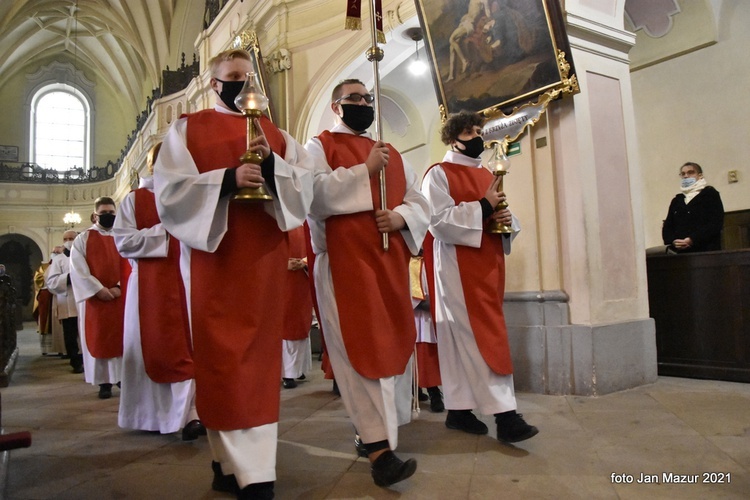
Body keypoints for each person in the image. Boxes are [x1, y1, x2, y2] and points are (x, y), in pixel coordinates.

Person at [153, 48, 313, 499]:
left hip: (263, 262)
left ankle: (255, 474)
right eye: (231, 77)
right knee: (221, 362)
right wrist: (226, 179)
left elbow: (307, 189)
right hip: (213, 262)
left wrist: (271, 167)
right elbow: (170, 195)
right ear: (213, 82)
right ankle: (226, 462)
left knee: (257, 365)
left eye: (247, 77)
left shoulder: (277, 135)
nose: (241, 85)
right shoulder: (187, 130)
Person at [304, 78, 429, 488]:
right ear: (336, 106)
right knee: (357, 354)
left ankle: (375, 435)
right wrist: (364, 172)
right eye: (353, 99)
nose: (363, 103)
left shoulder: (392, 153)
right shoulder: (319, 146)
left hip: (388, 264)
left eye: (367, 98)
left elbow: (418, 200)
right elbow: (313, 195)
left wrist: (401, 218)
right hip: (344, 266)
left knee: (386, 344)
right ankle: (380, 452)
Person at [421, 111, 538, 444]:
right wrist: (484, 207)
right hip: (456, 269)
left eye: (478, 131)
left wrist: (504, 217)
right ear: (453, 137)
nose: (477, 137)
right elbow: (439, 222)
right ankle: (506, 416)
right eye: (471, 132)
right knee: (479, 336)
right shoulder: (438, 174)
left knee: (465, 339)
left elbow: (501, 215)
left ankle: (459, 410)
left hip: (486, 265)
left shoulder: (487, 173)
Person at [113, 143, 203, 439]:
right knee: (151, 347)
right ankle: (152, 416)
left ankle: (191, 415)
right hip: (148, 288)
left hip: (190, 281)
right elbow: (124, 242)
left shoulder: (188, 195)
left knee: (192, 349)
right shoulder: (133, 201)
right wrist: (165, 234)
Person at [70, 197, 128, 399]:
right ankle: (104, 382)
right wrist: (98, 289)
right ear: (95, 215)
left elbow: (130, 265)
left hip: (121, 297)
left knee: (122, 337)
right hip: (95, 298)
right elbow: (78, 269)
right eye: (104, 213)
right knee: (99, 337)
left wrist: (120, 287)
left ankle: (122, 378)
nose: (109, 217)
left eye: (112, 213)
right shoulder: (83, 239)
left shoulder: (123, 236)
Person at [662, 162, 724, 253]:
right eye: (683, 174)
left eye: (690, 172)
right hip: (680, 254)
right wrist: (673, 241)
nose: (686, 176)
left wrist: (692, 239)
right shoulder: (677, 200)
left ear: (700, 175)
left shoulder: (710, 194)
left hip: (706, 251)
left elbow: (715, 223)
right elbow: (668, 226)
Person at [409, 254, 444, 413]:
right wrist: (420, 301)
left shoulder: (434, 259)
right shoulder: (410, 263)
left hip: (431, 319)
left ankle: (434, 392)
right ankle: (419, 390)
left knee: (428, 357)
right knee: (415, 357)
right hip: (414, 317)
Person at [46, 232, 84, 374]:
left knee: (85, 334)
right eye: (65, 239)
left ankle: (87, 359)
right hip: (67, 302)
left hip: (84, 301)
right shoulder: (59, 260)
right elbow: (51, 282)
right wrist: (67, 278)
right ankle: (75, 361)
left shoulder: (84, 255)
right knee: (70, 335)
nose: (68, 241)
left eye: (71, 238)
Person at [281, 226, 313, 389]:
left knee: (300, 322)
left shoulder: (307, 222)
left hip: (302, 279)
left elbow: (317, 245)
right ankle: (287, 372)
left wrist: (305, 262)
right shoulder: (276, 219)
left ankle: (296, 369)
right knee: (285, 324)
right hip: (280, 280)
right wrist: (281, 263)